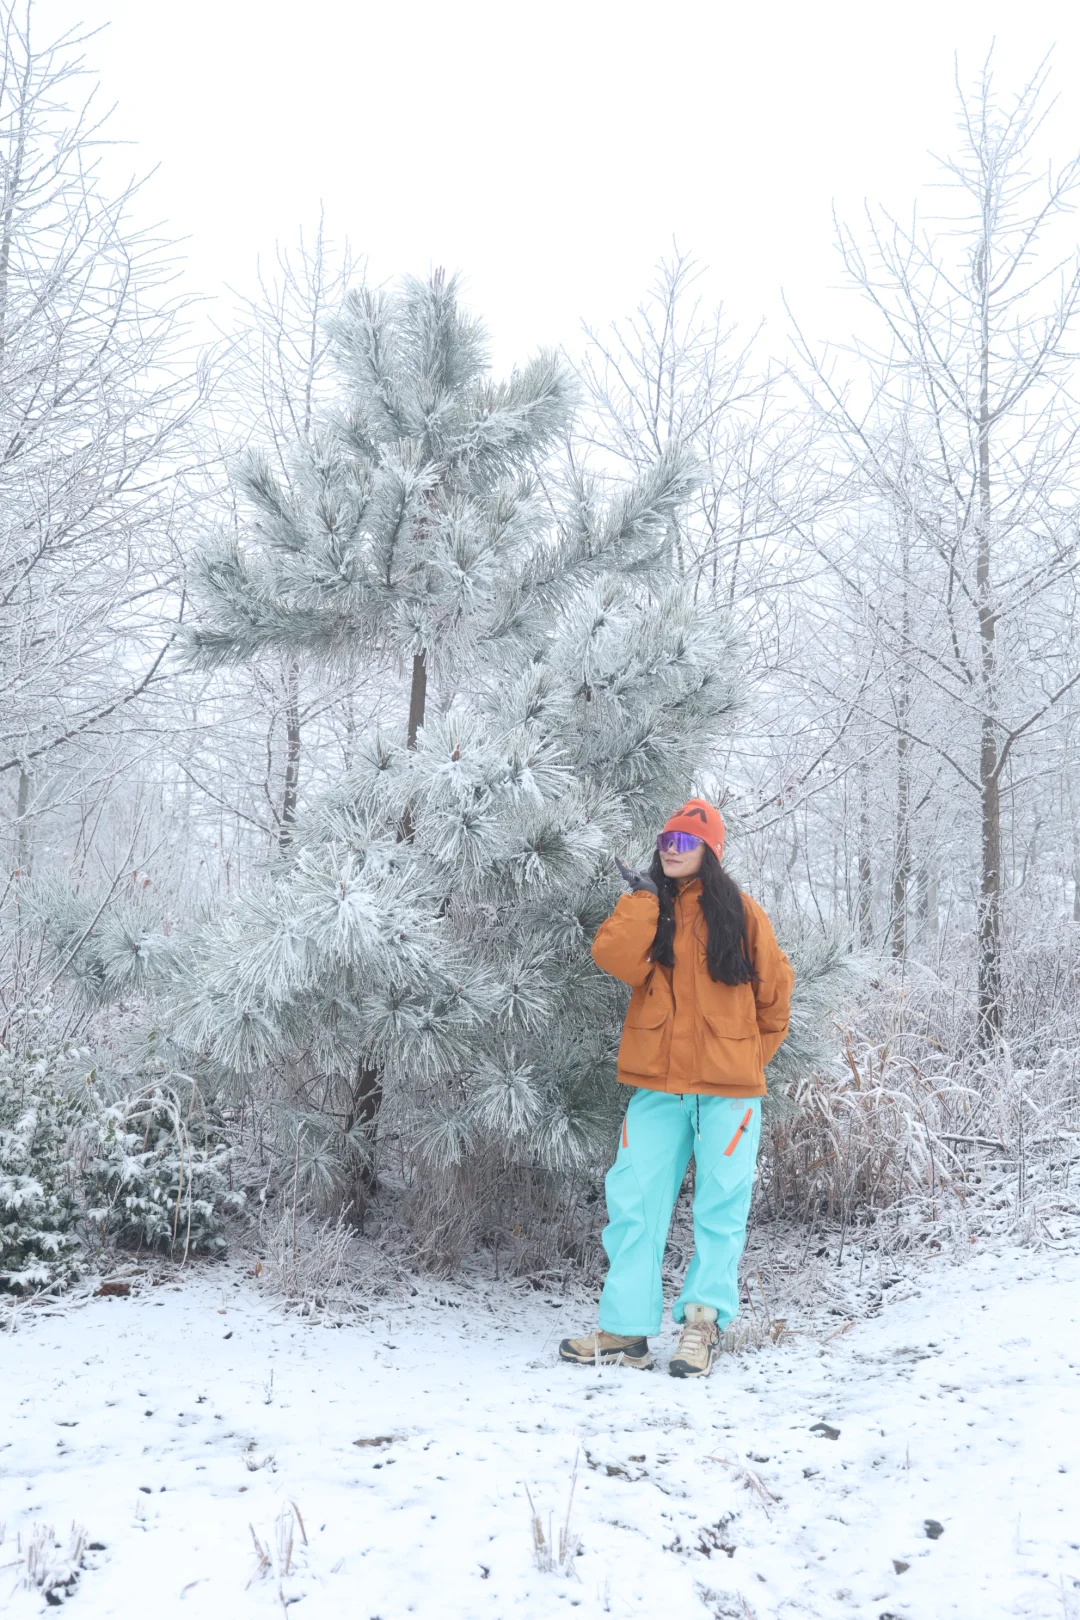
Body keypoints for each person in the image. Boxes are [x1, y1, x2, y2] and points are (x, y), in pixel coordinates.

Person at [559, 798, 794, 1379]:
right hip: (658, 1089)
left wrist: (741, 1062)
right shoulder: (649, 908)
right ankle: (625, 1332)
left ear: (709, 851)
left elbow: (776, 998)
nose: (672, 849)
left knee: (720, 1207)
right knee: (633, 1204)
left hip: (729, 1094)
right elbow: (612, 956)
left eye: (686, 842)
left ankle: (701, 1325)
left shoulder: (742, 913)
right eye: (666, 839)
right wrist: (642, 898)